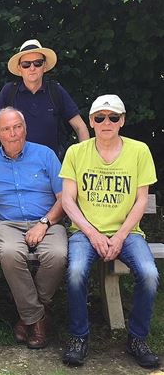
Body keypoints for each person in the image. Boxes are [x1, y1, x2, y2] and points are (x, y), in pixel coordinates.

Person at [60, 95, 159, 368]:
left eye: (113, 117)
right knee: (76, 271)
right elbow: (67, 199)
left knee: (150, 275)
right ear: (91, 122)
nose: (106, 122)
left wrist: (119, 237)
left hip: (127, 233)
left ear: (122, 121)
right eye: (100, 117)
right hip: (85, 232)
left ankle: (137, 337)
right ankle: (79, 336)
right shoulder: (76, 153)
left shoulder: (139, 151)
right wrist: (92, 233)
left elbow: (141, 200)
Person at [0, 107, 67, 349]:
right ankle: (38, 319)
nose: (13, 133)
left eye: (17, 127)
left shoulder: (45, 155)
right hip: (8, 225)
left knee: (57, 255)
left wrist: (44, 223)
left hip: (48, 220)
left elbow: (64, 198)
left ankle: (28, 316)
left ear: (25, 129)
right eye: (6, 129)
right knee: (9, 254)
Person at [0, 39, 89, 159]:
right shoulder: (9, 91)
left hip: (49, 167)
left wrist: (84, 161)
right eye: (26, 64)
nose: (32, 68)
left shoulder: (55, 91)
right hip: (13, 165)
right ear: (19, 68)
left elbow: (80, 127)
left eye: (37, 63)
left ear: (44, 66)